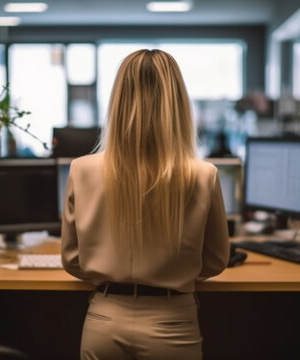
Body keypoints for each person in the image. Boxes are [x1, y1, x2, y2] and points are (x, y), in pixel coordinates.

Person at [61, 49, 229, 360]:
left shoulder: (81, 169)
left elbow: (72, 260)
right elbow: (216, 261)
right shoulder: (204, 175)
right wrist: (171, 268)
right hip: (172, 321)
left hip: (104, 319)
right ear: (178, 104)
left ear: (118, 101)